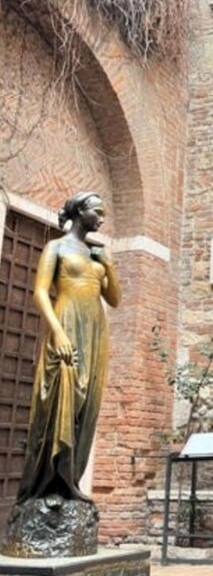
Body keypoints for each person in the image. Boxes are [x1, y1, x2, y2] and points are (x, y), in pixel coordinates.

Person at [15, 191, 121, 504]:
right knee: (60, 400)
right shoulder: (56, 248)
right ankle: (47, 484)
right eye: (97, 211)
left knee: (86, 406)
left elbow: (114, 299)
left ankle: (71, 482)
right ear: (79, 211)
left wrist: (109, 266)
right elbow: (40, 292)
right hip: (66, 324)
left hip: (94, 332)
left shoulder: (96, 255)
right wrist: (58, 333)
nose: (101, 218)